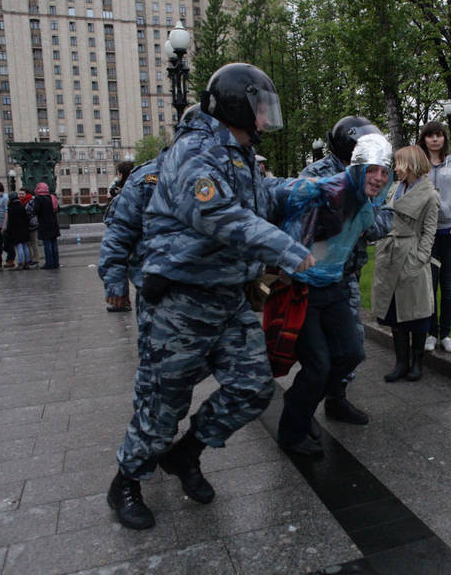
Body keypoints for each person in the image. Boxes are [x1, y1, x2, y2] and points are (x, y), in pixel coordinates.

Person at [107, 63, 315, 531]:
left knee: (254, 387)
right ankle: (126, 480)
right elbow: (217, 213)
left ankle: (187, 454)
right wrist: (285, 247)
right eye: (260, 107)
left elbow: (265, 195)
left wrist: (312, 188)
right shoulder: (196, 151)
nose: (265, 117)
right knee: (163, 405)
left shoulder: (237, 154)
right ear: (237, 104)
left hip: (228, 300)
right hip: (181, 304)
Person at [275, 132, 394, 457]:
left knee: (352, 353)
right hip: (303, 289)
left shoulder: (367, 203)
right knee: (318, 365)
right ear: (357, 169)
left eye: (384, 172)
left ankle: (303, 401)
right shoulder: (326, 189)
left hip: (336, 285)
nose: (379, 178)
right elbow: (284, 206)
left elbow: (375, 225)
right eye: (373, 170)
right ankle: (291, 431)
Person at [298, 116, 390, 427]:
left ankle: (336, 398)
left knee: (351, 346)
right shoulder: (316, 174)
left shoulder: (373, 173)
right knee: (316, 352)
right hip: (313, 277)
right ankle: (303, 407)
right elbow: (304, 222)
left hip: (347, 273)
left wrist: (359, 224)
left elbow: (382, 221)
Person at [372, 145, 439, 382]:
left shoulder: (429, 194)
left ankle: (417, 364)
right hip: (390, 253)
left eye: (399, 163)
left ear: (410, 164)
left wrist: (419, 259)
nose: (395, 168)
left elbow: (430, 232)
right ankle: (400, 363)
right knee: (394, 314)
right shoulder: (393, 189)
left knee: (417, 314)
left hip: (411, 256)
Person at [418, 121, 451, 353]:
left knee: (448, 286)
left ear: (444, 139)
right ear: (424, 139)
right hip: (427, 233)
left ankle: (445, 335)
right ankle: (431, 333)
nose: (435, 140)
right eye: (430, 136)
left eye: (439, 135)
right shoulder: (419, 164)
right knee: (429, 285)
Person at [98, 149, 167, 313]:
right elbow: (118, 235)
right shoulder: (148, 176)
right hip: (159, 292)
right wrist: (115, 283)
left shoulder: (229, 166)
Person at [33, 182, 61, 269]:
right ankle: (56, 262)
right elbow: (58, 209)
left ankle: (49, 263)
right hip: (54, 224)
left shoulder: (38, 199)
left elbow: (36, 210)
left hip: (44, 224)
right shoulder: (52, 197)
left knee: (47, 245)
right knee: (54, 244)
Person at [3, 191, 32, 269]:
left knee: (19, 246)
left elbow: (10, 222)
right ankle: (27, 262)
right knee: (25, 245)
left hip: (16, 230)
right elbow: (26, 218)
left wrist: (8, 231)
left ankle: (20, 263)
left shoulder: (11, 208)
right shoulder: (22, 206)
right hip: (24, 229)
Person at [20, 188, 40, 267]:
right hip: (25, 225)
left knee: (33, 242)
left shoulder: (31, 201)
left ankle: (36, 259)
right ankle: (30, 258)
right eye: (19, 194)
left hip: (32, 225)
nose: (20, 195)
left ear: (26, 194)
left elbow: (31, 212)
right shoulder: (21, 202)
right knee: (28, 243)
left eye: (22, 194)